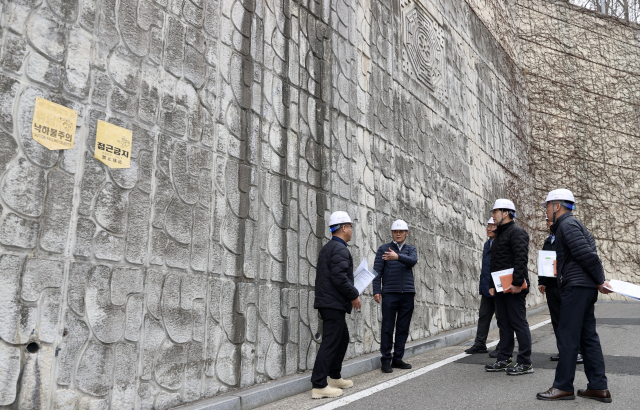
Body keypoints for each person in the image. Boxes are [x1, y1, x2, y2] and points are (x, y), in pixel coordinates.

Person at [536, 189, 613, 402]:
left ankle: (563, 386)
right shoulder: (572, 225)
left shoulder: (567, 225)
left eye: (548, 206)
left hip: (577, 287)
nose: (546, 210)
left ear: (557, 206)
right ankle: (598, 387)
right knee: (587, 337)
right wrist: (596, 282)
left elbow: (587, 255)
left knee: (568, 337)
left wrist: (600, 280)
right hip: (584, 287)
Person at [310, 211, 361, 399]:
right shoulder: (340, 249)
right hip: (333, 303)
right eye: (351, 227)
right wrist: (354, 295)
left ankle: (334, 377)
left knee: (342, 338)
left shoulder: (328, 248)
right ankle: (319, 385)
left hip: (330, 302)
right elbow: (339, 278)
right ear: (344, 227)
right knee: (330, 342)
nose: (352, 231)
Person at [484, 199, 533, 376]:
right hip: (500, 287)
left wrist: (517, 283)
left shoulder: (517, 232)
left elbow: (521, 259)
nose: (493, 215)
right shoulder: (500, 234)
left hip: (514, 286)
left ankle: (525, 362)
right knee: (504, 323)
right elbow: (495, 263)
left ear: (506, 213)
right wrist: (491, 285)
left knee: (518, 323)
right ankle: (504, 358)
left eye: (495, 211)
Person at [373, 219, 418, 373]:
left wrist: (397, 257)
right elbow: (377, 271)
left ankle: (397, 359)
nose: (398, 234)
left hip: (407, 294)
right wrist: (376, 290)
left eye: (401, 231)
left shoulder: (411, 249)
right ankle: (385, 360)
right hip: (389, 293)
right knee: (387, 327)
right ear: (392, 233)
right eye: (395, 232)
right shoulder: (384, 249)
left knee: (403, 328)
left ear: (406, 233)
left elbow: (413, 261)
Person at [538, 216, 583, 364]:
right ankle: (563, 350)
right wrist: (542, 281)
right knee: (556, 320)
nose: (548, 224)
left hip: (564, 284)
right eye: (546, 222)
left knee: (569, 320)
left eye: (549, 222)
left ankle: (577, 351)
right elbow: (544, 262)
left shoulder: (564, 237)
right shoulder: (547, 241)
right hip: (551, 286)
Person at [465, 217, 502, 358]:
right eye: (488, 226)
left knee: (501, 318)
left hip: (498, 287)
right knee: (484, 316)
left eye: (493, 226)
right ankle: (480, 343)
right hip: (487, 287)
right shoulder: (487, 244)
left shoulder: (501, 243)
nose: (489, 228)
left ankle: (502, 345)